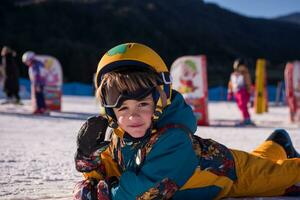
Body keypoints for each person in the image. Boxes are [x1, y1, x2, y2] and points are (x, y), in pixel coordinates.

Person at [73, 43, 300, 200]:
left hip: (234, 175)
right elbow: (106, 174)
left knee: (286, 176)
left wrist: (99, 194)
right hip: (225, 165)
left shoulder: (173, 140)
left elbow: (146, 193)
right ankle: (279, 143)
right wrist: (88, 160)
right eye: (123, 108)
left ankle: (279, 145)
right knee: (262, 160)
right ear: (110, 111)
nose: (133, 116)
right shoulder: (119, 137)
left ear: (159, 100)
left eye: (142, 104)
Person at [227, 58, 253, 126]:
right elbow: (231, 83)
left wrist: (249, 91)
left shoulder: (245, 74)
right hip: (237, 92)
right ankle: (245, 118)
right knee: (240, 106)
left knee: (243, 105)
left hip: (243, 92)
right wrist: (230, 92)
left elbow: (248, 82)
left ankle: (247, 119)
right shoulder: (234, 74)